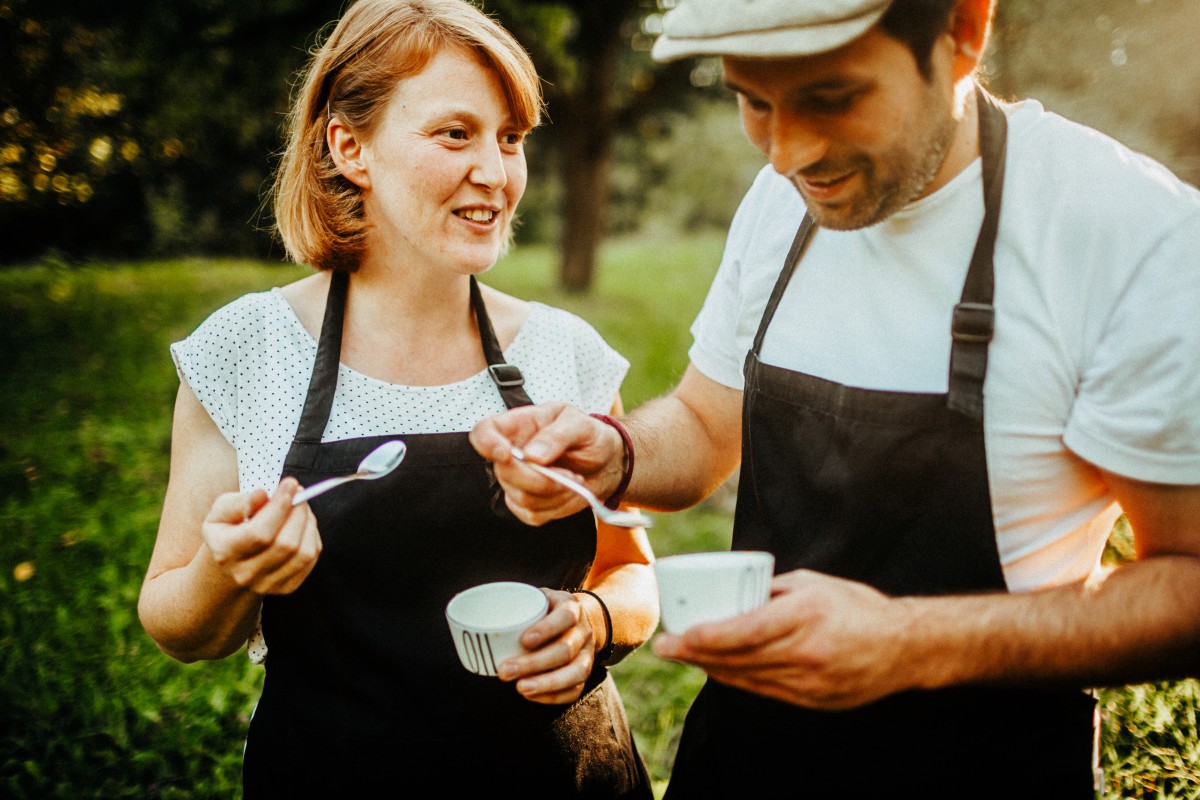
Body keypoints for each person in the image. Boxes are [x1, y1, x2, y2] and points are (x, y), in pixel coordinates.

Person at [469, 0, 1200, 796]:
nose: (788, 154)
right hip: (747, 756)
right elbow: (706, 424)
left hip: (982, 765)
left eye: (832, 97)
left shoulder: (1132, 236)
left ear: (963, 31)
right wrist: (618, 455)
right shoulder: (782, 199)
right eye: (754, 101)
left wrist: (913, 642)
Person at [136, 1, 659, 796]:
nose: (496, 171)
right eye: (456, 133)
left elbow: (635, 579)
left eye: (510, 138)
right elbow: (177, 624)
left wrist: (594, 623)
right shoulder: (247, 350)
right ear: (351, 147)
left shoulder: (565, 351)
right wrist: (230, 570)